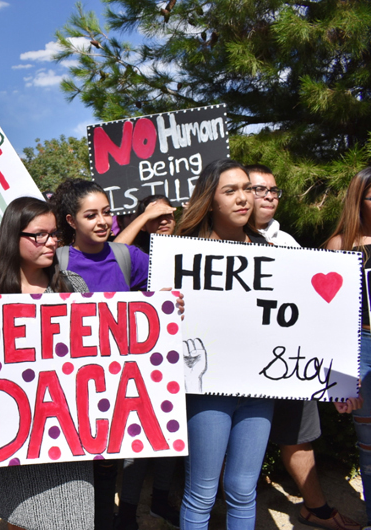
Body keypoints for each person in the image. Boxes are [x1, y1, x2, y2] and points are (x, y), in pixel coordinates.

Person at [52, 180, 180, 530]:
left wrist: (171, 302)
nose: (102, 221)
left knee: (107, 471)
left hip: (117, 390)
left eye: (107, 212)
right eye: (91, 215)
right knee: (74, 476)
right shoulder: (56, 262)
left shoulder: (129, 257)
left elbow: (164, 295)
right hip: (70, 391)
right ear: (70, 221)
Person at [0, 196, 94, 530]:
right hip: (16, 443)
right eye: (39, 234)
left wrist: (166, 311)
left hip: (69, 441)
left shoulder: (73, 287)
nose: (51, 241)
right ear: (14, 236)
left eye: (54, 234)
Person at [247, 164, 361, 530]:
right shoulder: (218, 242)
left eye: (274, 191)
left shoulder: (288, 243)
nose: (268, 197)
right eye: (258, 189)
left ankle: (316, 508)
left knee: (300, 434)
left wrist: (338, 376)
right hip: (239, 367)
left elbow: (322, 313)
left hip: (286, 363)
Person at [174, 158, 274, 529]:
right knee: (202, 492)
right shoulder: (182, 254)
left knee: (243, 488)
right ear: (210, 200)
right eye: (230, 191)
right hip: (206, 388)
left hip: (260, 387)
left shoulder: (271, 251)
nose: (244, 198)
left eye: (248, 188)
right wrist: (169, 304)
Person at [326, 166, 371, 527]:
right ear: (360, 200)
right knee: (368, 444)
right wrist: (340, 381)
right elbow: (330, 321)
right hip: (361, 344)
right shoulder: (339, 246)